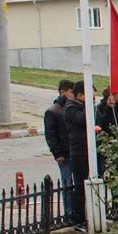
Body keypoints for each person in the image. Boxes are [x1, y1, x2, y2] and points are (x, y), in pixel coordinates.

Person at [63, 81, 91, 230]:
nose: (92, 99)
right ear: (80, 95)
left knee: (90, 186)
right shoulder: (71, 108)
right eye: (90, 96)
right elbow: (83, 120)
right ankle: (78, 220)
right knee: (80, 187)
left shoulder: (83, 107)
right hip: (79, 152)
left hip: (90, 152)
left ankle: (91, 215)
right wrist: (88, 106)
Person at [44, 80, 75, 214]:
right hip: (64, 153)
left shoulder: (73, 107)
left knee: (77, 184)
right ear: (63, 92)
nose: (73, 95)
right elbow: (51, 134)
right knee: (67, 182)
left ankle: (77, 211)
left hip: (76, 150)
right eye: (71, 92)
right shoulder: (53, 111)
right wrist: (57, 153)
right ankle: (69, 212)